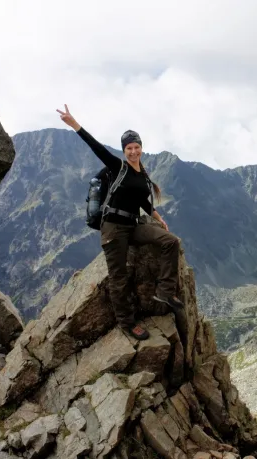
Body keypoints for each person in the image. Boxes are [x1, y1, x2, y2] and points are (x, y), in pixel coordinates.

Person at [56, 104, 183, 340]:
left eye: (136, 147)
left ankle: (165, 292)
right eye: (129, 148)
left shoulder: (142, 175)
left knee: (170, 242)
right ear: (124, 150)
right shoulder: (119, 167)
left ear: (141, 149)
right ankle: (127, 323)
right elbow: (96, 147)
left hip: (134, 225)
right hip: (113, 228)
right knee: (119, 277)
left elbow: (143, 202)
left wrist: (158, 218)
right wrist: (75, 125)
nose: (133, 151)